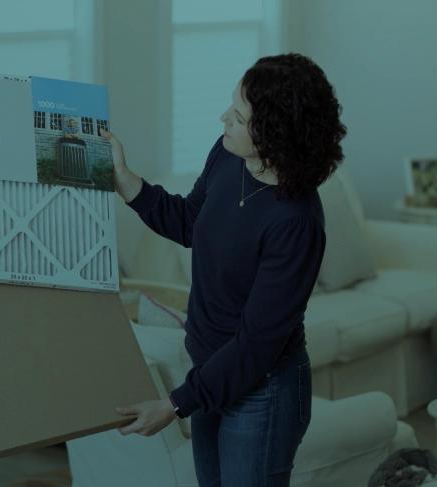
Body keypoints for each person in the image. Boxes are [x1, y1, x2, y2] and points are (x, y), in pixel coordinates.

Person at [102, 52, 347, 486]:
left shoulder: (297, 223)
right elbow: (191, 221)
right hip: (210, 373)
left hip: (263, 392)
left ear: (274, 133)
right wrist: (125, 180)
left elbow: (256, 345)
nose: (223, 119)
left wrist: (177, 403)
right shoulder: (228, 154)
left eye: (237, 115)